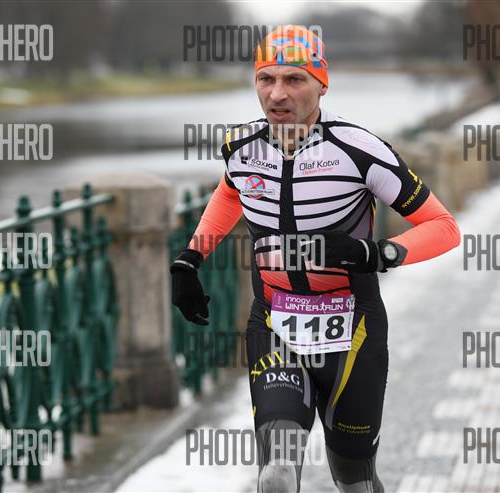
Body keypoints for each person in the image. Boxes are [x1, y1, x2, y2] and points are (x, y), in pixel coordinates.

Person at [170, 25, 460, 493]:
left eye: (294, 79)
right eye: (266, 79)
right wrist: (190, 259)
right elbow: (229, 194)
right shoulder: (240, 148)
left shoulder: (359, 150)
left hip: (353, 332)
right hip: (275, 325)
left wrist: (377, 253)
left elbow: (444, 227)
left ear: (322, 84)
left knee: (353, 479)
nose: (277, 94)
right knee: (277, 475)